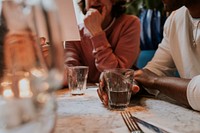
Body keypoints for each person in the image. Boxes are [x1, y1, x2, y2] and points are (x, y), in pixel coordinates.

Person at [98, 0, 200, 111]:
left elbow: (152, 78)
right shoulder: (175, 19)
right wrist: (129, 82)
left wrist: (154, 80)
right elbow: (155, 70)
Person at [64, 0, 140, 84]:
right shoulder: (75, 31)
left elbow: (115, 74)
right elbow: (69, 76)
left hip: (116, 93)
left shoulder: (129, 24)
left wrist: (97, 33)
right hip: (85, 95)